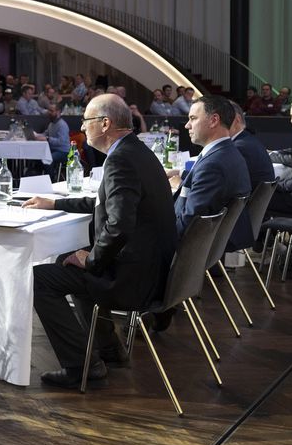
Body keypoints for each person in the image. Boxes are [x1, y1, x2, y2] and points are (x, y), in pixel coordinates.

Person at [24, 94, 177, 389]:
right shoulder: (137, 152)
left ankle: (81, 365)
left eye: (86, 121)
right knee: (66, 261)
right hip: (156, 269)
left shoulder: (121, 160)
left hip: (135, 279)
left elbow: (119, 226)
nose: (82, 127)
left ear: (105, 124)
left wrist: (91, 259)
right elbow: (104, 202)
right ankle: (108, 350)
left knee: (40, 280)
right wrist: (55, 204)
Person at [173, 95, 251, 251]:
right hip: (215, 240)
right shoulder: (227, 153)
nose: (187, 125)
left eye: (193, 118)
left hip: (197, 248)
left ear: (214, 120)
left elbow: (188, 224)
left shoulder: (213, 164)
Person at [228, 101, 273, 190]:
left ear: (237, 120)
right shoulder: (247, 139)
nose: (213, 125)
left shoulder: (240, 147)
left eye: (220, 120)